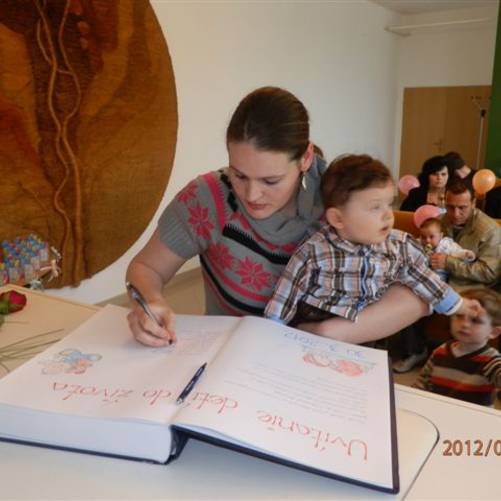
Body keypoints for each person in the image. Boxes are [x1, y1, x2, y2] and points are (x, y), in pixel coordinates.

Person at [126, 87, 430, 347]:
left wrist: (326, 333)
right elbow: (146, 267)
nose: (251, 195)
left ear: (305, 159)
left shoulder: (342, 199)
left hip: (329, 359)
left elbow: (420, 293)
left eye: (270, 181)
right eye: (238, 174)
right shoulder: (207, 198)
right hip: (230, 356)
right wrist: (150, 302)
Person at [264, 154, 481, 338]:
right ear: (338, 219)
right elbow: (288, 290)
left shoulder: (396, 245)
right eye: (375, 207)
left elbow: (425, 279)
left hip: (362, 320)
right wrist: (272, 328)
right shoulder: (316, 250)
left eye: (389, 204)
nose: (388, 215)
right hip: (317, 314)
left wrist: (459, 305)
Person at [414, 288, 501, 407]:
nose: (464, 324)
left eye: (475, 321)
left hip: (471, 416)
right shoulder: (440, 351)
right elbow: (422, 384)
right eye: (459, 316)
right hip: (438, 410)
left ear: (493, 332)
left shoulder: (492, 360)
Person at [429, 179, 501, 292]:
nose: (455, 214)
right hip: (436, 284)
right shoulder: (438, 221)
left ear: (473, 203)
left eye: (462, 207)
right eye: (450, 207)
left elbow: (489, 273)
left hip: (471, 291)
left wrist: (448, 263)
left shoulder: (490, 230)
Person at [419, 217, 475, 281]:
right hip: (424, 270)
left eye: (431, 237)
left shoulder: (446, 245)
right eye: (423, 237)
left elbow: (456, 251)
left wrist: (466, 254)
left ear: (441, 236)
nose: (427, 241)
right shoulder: (421, 244)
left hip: (439, 275)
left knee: (435, 280)